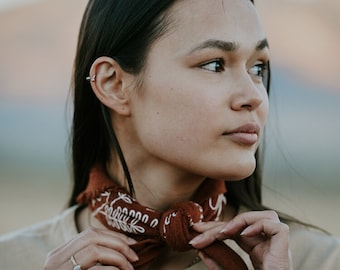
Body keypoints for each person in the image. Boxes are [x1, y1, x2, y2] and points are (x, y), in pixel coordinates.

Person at [0, 0, 339, 269]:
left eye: (257, 67)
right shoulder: (13, 260)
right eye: (214, 64)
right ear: (113, 84)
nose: (254, 96)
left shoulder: (319, 261)